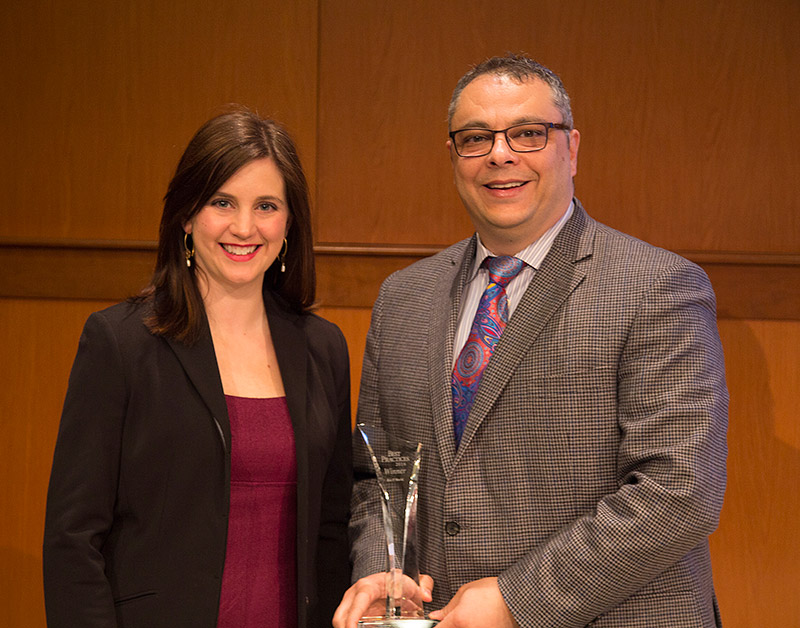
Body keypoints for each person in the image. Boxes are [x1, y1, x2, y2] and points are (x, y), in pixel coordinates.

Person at [334, 54, 728, 628]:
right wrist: (382, 572)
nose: (499, 154)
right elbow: (378, 474)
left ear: (572, 149)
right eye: (476, 138)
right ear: (453, 157)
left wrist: (517, 600)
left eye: (527, 133)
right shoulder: (403, 297)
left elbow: (679, 490)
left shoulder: (657, 287)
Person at [43, 108, 352, 628]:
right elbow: (72, 539)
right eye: (222, 202)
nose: (244, 227)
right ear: (186, 216)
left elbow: (332, 528)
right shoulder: (120, 343)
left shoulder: (323, 348)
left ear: (289, 224)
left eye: (266, 206)